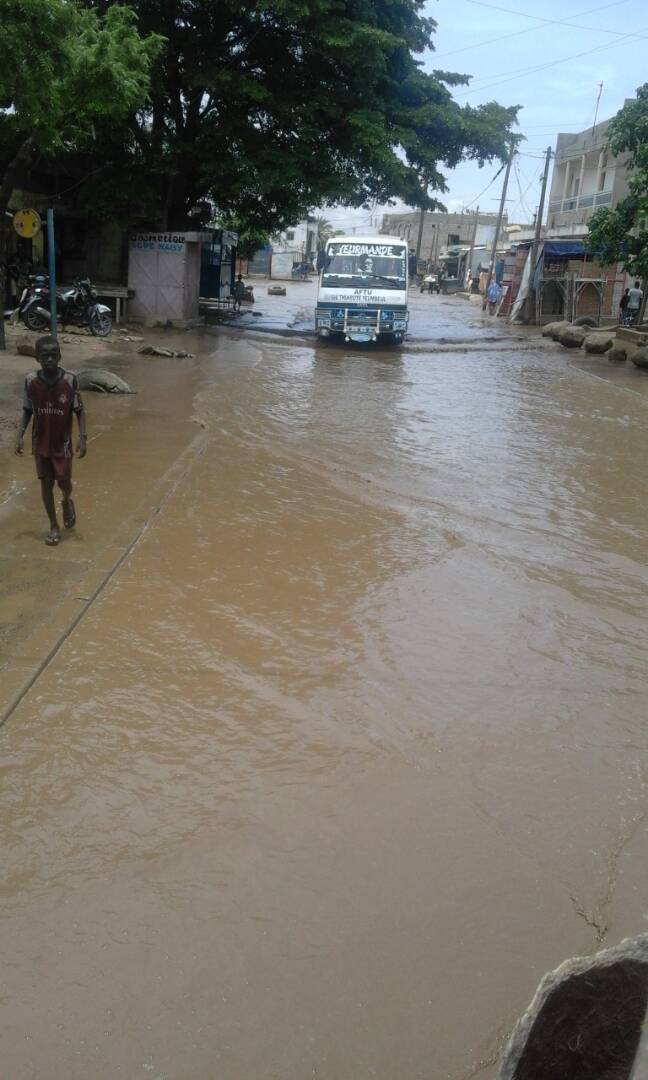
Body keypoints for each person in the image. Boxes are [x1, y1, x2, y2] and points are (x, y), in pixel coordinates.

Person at [15, 336, 87, 546]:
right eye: (44, 356)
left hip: (62, 444)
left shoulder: (70, 380)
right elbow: (27, 410)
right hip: (41, 443)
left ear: (59, 357)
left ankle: (66, 501)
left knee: (64, 483)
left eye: (53, 355)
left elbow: (80, 411)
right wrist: (19, 435)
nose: (49, 359)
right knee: (46, 484)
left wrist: (83, 437)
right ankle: (54, 525)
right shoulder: (31, 381)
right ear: (37, 358)